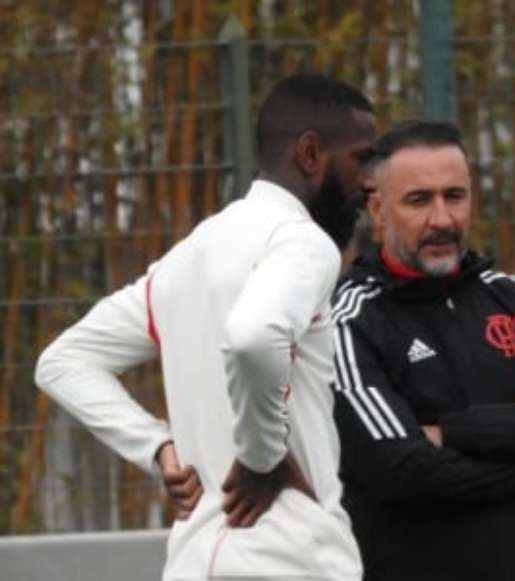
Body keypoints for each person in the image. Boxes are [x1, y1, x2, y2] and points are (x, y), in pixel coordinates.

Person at [35, 74, 377, 581]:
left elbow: (62, 363)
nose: (369, 183)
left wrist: (158, 448)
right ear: (311, 154)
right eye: (362, 159)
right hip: (290, 558)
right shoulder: (304, 243)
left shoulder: (186, 258)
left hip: (195, 561)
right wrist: (262, 457)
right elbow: (253, 337)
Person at [331, 120, 515, 581]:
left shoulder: (513, 298)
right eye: (419, 200)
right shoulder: (350, 319)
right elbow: (404, 469)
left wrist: (450, 432)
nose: (442, 219)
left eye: (454, 196)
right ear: (378, 211)